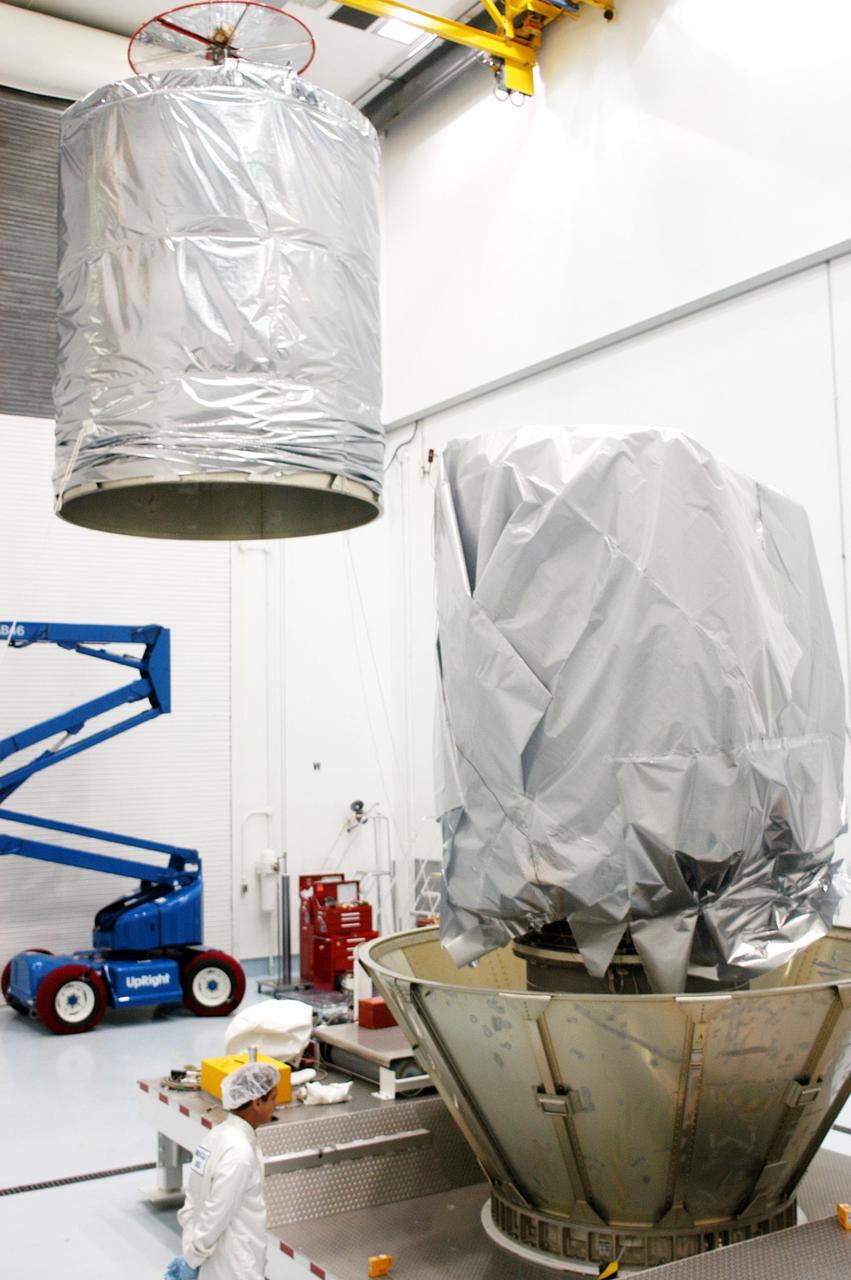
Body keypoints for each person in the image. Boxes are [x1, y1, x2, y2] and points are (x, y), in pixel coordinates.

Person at [164, 1062, 279, 1280]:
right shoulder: (240, 1153)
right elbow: (216, 1213)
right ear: (256, 1102)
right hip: (234, 1267)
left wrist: (191, 1252)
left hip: (215, 1261)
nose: (277, 1106)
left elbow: (193, 1199)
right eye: (273, 1099)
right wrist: (193, 1258)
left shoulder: (215, 1136)